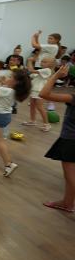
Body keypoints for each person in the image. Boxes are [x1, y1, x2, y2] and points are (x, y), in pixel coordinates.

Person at [39, 65, 75, 212]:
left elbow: (44, 93)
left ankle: (67, 203)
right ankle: (67, 203)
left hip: (71, 140)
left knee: (70, 175)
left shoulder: (73, 97)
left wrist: (56, 75)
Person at [23, 57, 55, 131]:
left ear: (51, 64)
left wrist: (29, 60)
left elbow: (31, 70)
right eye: (42, 61)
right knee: (32, 106)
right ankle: (32, 121)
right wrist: (29, 62)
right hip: (34, 90)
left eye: (45, 62)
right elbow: (30, 72)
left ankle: (47, 124)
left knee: (40, 107)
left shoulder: (47, 70)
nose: (42, 62)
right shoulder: (40, 71)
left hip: (41, 91)